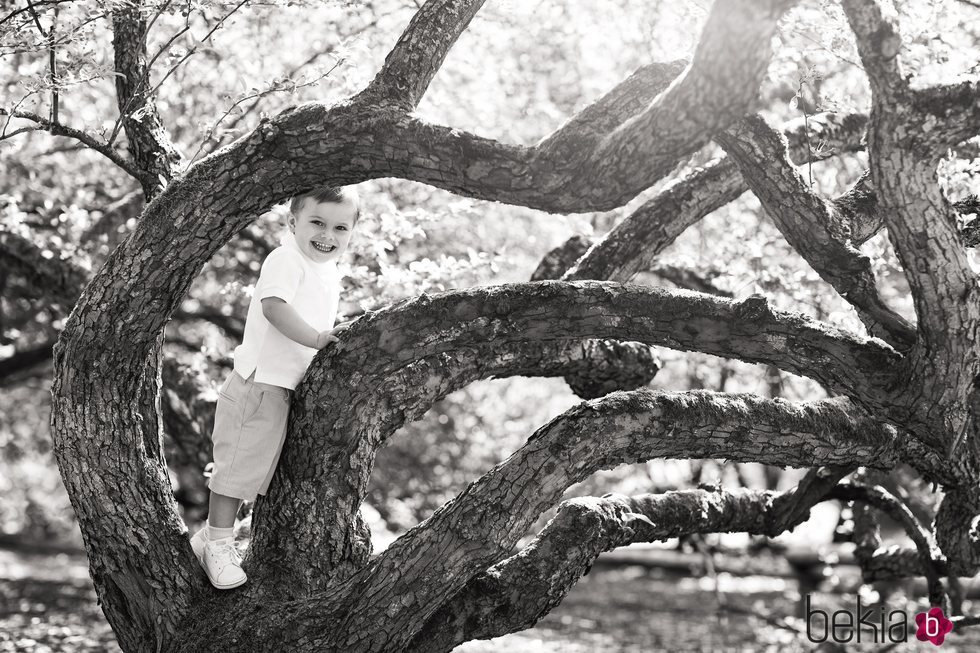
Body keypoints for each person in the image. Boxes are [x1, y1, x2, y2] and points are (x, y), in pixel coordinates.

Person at [189, 185, 359, 589]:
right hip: (258, 382)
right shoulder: (286, 259)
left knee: (255, 472)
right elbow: (274, 307)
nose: (327, 235)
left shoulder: (329, 270)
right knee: (235, 472)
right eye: (317, 223)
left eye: (340, 227)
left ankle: (205, 540)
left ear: (352, 232)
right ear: (293, 221)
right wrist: (318, 339)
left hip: (281, 386)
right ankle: (217, 546)